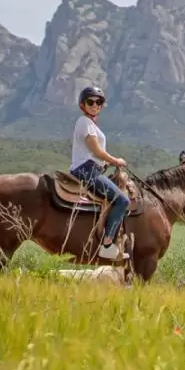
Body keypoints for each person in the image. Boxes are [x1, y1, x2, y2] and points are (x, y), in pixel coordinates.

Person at [69, 86, 130, 260]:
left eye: (99, 102)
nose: (95, 105)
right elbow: (96, 150)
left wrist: (106, 164)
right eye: (91, 102)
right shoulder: (84, 122)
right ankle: (107, 244)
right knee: (122, 200)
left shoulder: (90, 124)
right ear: (83, 105)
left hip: (91, 169)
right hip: (86, 170)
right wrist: (115, 161)